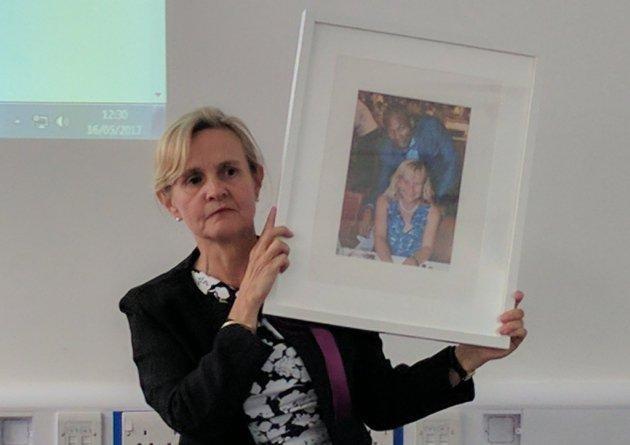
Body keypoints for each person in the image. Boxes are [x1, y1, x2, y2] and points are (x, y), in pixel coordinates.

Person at [119, 107, 527, 445]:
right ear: (169, 201)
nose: (215, 189)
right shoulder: (154, 306)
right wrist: (246, 305)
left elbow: (381, 404)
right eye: (194, 179)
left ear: (256, 180)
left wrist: (470, 355)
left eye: (229, 171)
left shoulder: (319, 276)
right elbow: (192, 417)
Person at [375, 106, 460, 205]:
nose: (397, 136)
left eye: (401, 128)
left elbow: (452, 163)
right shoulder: (386, 146)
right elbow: (382, 182)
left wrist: (438, 198)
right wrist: (371, 206)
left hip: (442, 187)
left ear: (411, 123)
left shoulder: (431, 128)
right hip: (410, 196)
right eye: (391, 131)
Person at [374, 160, 439, 266]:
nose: (411, 189)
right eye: (406, 182)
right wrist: (388, 265)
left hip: (414, 266)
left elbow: (427, 248)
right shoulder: (383, 202)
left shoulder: (433, 212)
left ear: (424, 185)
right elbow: (379, 237)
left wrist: (414, 261)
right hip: (384, 260)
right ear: (398, 181)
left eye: (417, 184)